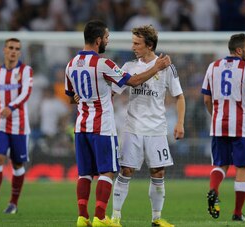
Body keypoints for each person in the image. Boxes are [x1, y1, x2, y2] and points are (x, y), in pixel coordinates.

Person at [65, 20, 171, 227]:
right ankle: (100, 217)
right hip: (102, 127)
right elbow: (133, 81)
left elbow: (71, 97)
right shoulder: (103, 63)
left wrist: (81, 98)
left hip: (81, 126)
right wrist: (157, 67)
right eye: (106, 38)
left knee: (85, 173)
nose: (107, 41)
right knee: (107, 172)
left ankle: (82, 217)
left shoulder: (71, 64)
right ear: (98, 40)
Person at [110, 25, 185, 227]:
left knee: (158, 173)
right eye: (133, 42)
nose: (133, 47)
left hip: (157, 130)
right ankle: (115, 218)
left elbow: (179, 96)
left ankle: (156, 218)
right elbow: (112, 93)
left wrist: (179, 122)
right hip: (132, 127)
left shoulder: (168, 67)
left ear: (149, 45)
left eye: (137, 43)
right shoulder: (128, 67)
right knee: (126, 171)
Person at [201, 33, 245, 222]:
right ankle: (237, 213)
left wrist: (215, 116)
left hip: (218, 124)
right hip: (240, 127)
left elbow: (206, 99)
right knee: (241, 168)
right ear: (239, 50)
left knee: (220, 164)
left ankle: (213, 190)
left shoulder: (212, 66)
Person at [0, 38, 33, 214]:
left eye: (17, 48)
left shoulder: (26, 71)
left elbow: (26, 93)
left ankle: (13, 203)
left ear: (20, 52)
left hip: (20, 125)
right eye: (10, 48)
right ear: (4, 50)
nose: (14, 51)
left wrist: (11, 107)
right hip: (0, 124)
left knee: (17, 164)